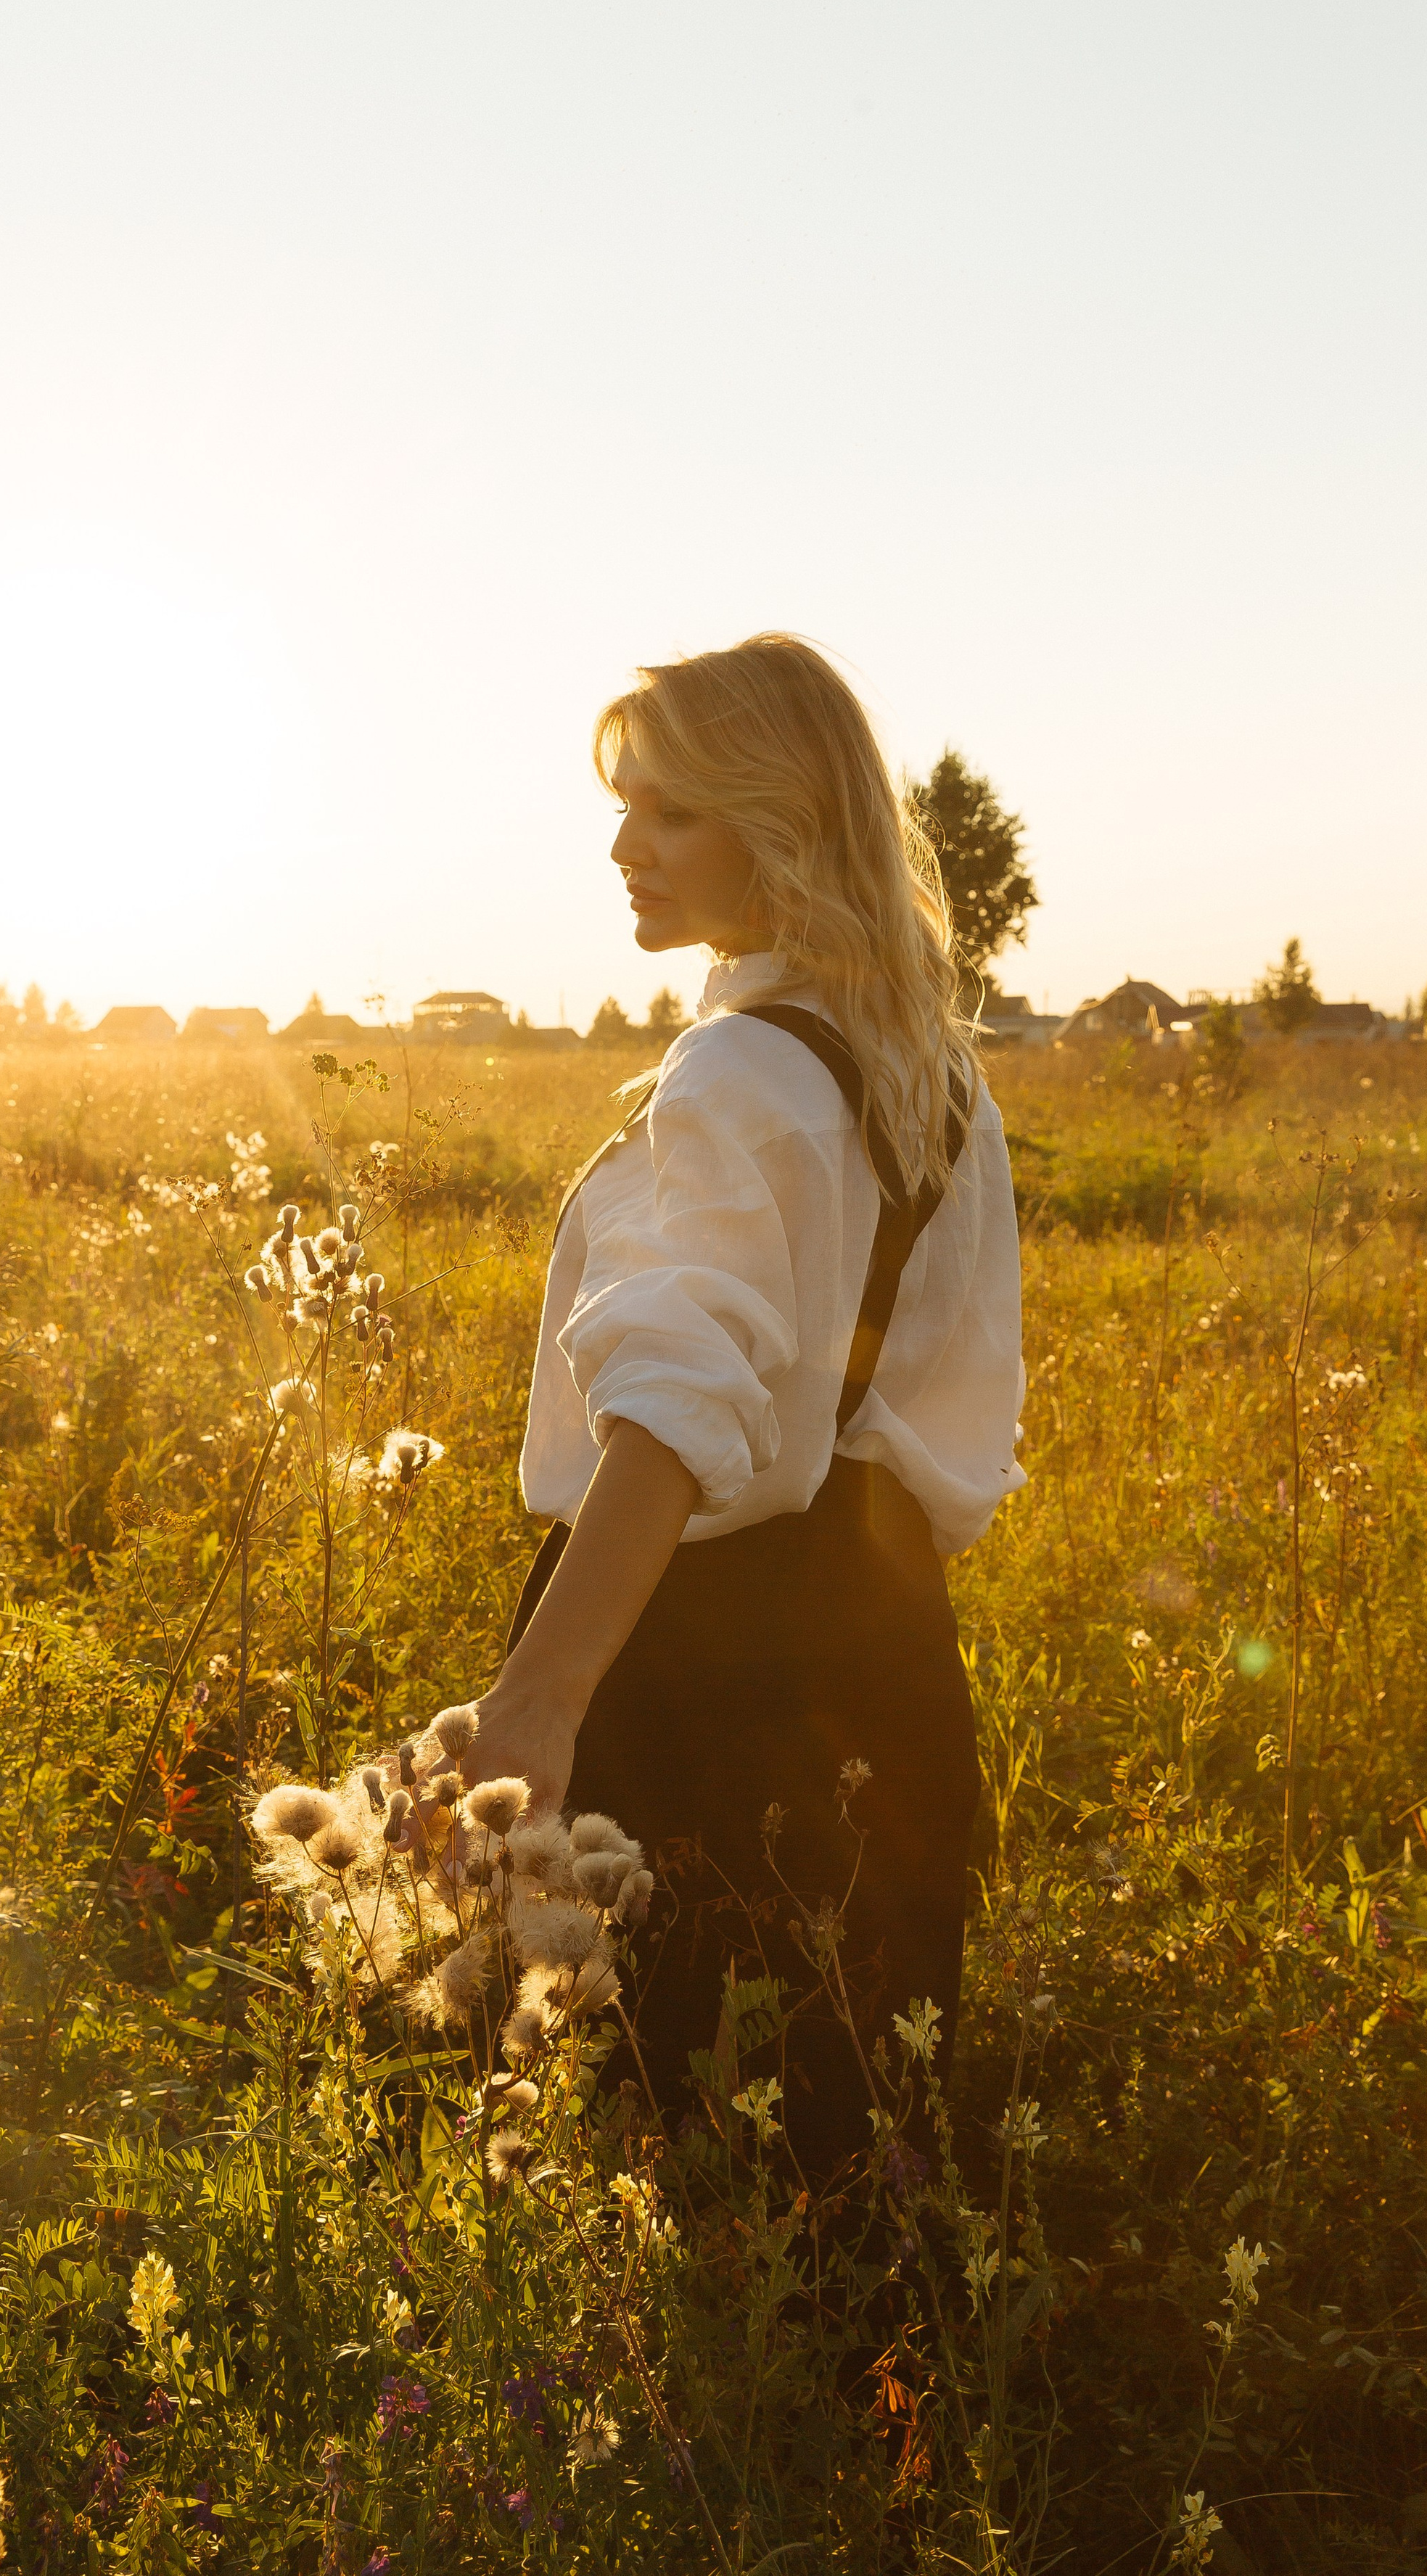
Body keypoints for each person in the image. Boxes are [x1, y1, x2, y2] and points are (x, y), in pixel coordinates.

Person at [463, 635, 1025, 2168]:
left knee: (661, 2133)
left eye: (671, 812)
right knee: (852, 2125)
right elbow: (938, 1401)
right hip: (884, 1645)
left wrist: (542, 1693)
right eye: (624, 809)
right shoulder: (933, 1072)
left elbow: (672, 1409)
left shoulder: (734, 1075)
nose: (623, 847)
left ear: (781, 825)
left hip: (693, 1650)